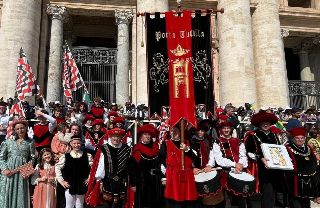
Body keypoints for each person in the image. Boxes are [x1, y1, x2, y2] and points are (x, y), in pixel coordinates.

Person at [245, 112, 285, 208]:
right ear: (259, 124)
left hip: (276, 168)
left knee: (273, 193)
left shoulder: (274, 135)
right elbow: (249, 151)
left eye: (268, 122)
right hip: (263, 169)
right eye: (263, 123)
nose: (266, 125)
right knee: (267, 192)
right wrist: (260, 158)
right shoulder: (253, 135)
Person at [87, 128, 131, 208]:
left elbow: (129, 166)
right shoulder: (104, 149)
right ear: (110, 137)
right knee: (107, 204)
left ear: (121, 137)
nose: (116, 139)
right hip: (108, 181)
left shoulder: (127, 149)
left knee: (120, 204)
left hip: (122, 182)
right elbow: (101, 166)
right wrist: (100, 181)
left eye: (118, 136)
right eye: (114, 136)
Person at [209, 121, 248, 208]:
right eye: (224, 128)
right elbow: (219, 160)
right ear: (221, 130)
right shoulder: (217, 142)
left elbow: (243, 156)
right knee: (227, 198)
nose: (226, 130)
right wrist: (234, 164)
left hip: (239, 172)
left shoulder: (238, 141)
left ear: (231, 129)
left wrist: (240, 166)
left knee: (241, 198)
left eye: (228, 128)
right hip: (225, 172)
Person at [160, 125, 199, 208]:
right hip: (172, 175)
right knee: (173, 199)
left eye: (176, 130)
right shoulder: (166, 144)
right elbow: (161, 161)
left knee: (187, 199)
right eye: (172, 131)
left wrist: (187, 149)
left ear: (180, 132)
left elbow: (196, 156)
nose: (174, 133)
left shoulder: (188, 142)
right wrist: (164, 177)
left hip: (187, 175)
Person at [0, 119, 36, 208]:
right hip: (9, 172)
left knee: (21, 193)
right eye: (18, 129)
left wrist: (26, 171)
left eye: (22, 128)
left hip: (22, 172)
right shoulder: (8, 141)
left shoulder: (31, 142)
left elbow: (32, 158)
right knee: (8, 192)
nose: (20, 130)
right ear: (15, 130)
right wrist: (5, 170)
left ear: (26, 128)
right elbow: (1, 157)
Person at [129, 125, 163, 208]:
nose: (147, 137)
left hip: (155, 181)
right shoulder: (137, 149)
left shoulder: (156, 149)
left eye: (149, 135)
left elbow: (161, 164)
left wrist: (163, 178)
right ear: (141, 136)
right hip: (142, 182)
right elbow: (132, 169)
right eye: (145, 134)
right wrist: (133, 184)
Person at [55, 135, 93, 208]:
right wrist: (61, 180)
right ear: (71, 144)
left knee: (79, 205)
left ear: (81, 144)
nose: (76, 145)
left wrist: (89, 178)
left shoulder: (87, 156)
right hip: (69, 185)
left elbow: (93, 168)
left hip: (81, 184)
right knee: (69, 205)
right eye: (74, 143)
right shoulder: (66, 156)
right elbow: (57, 167)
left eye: (78, 143)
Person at [286, 127, 320, 207]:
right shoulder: (288, 148)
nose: (300, 140)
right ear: (293, 139)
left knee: (306, 203)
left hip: (309, 180)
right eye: (297, 138)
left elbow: (314, 161)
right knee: (296, 203)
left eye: (302, 138)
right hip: (296, 180)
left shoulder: (308, 148)